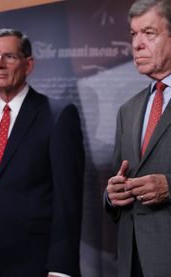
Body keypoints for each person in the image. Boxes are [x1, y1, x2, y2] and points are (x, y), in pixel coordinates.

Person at [0, 28, 84, 277]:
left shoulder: (58, 116)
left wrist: (61, 268)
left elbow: (68, 200)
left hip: (33, 262)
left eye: (9, 56)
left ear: (28, 65)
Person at [105, 0, 171, 276]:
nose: (136, 44)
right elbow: (116, 180)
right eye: (133, 34)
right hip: (132, 263)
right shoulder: (127, 110)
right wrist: (111, 196)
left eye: (149, 33)